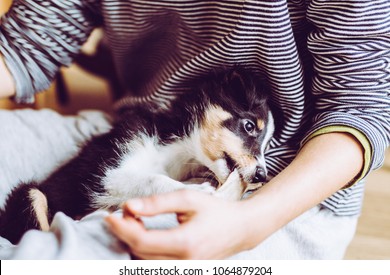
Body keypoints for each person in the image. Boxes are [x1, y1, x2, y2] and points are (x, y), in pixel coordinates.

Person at [0, 0, 388, 260]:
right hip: (143, 128)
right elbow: (24, 46)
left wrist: (251, 222)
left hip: (287, 186)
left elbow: (361, 106)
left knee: (45, 259)